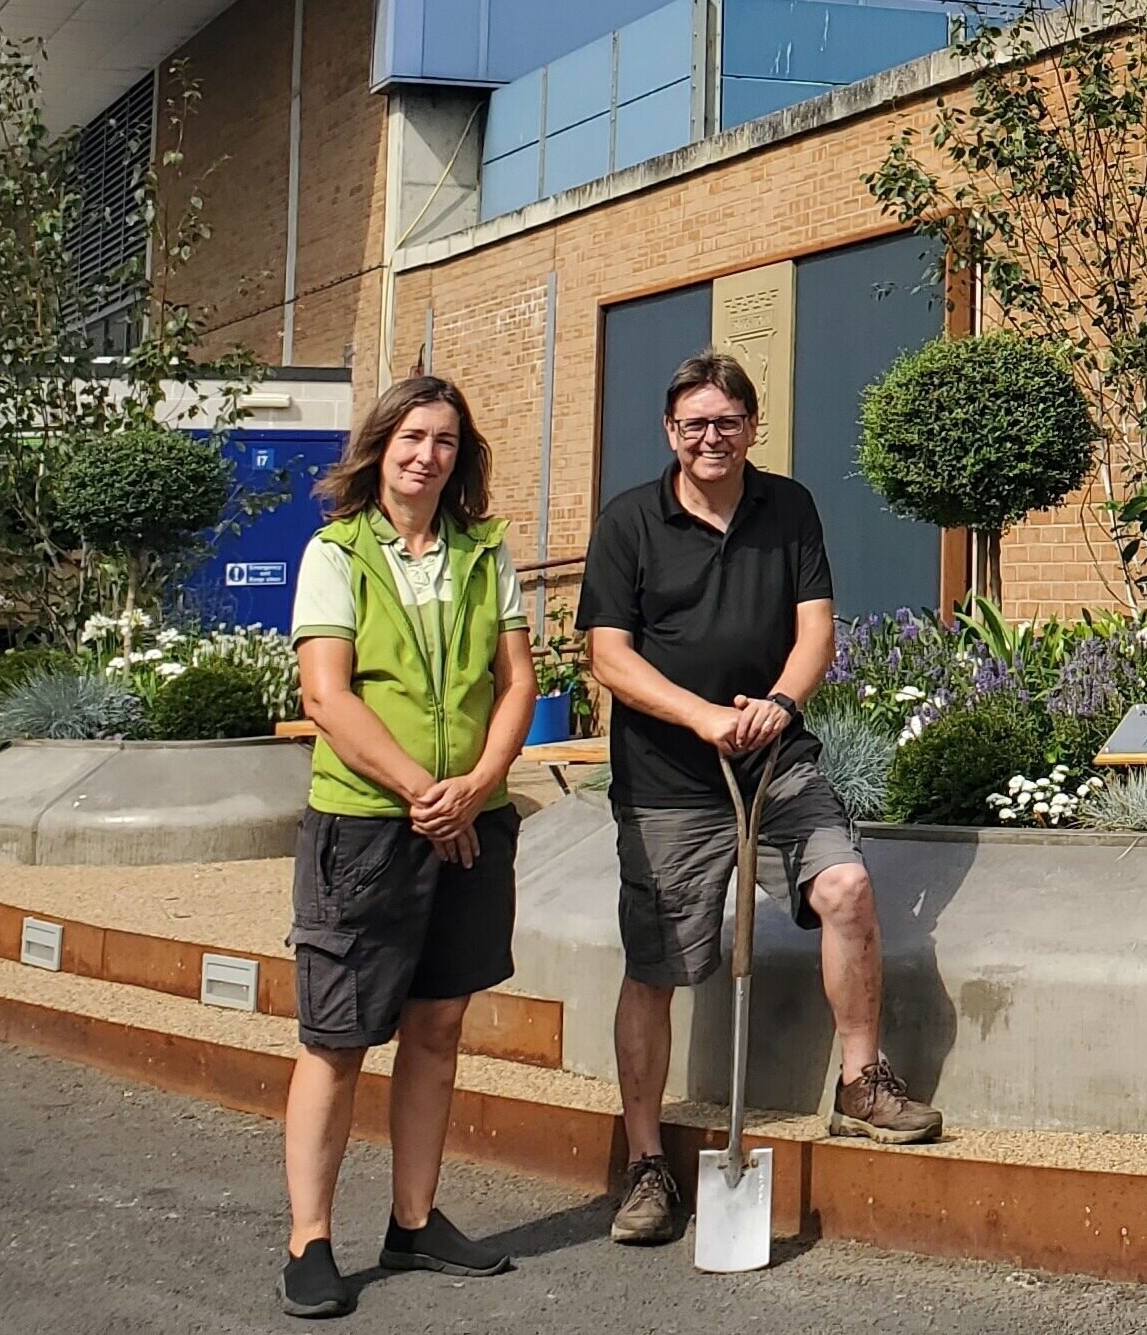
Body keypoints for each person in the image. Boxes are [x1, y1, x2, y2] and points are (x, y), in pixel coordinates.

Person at [584, 350, 941, 1248]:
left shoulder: (789, 508)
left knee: (847, 890)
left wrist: (781, 703)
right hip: (670, 781)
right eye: (694, 423)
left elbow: (815, 626)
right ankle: (647, 1163)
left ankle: (861, 1085)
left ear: (752, 426)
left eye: (728, 421)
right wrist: (701, 717)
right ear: (670, 432)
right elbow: (610, 657)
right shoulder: (630, 520)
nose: (712, 437)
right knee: (657, 965)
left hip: (777, 762)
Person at [279, 374, 536, 1317]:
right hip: (365, 827)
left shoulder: (485, 553)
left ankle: (415, 1221)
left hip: (472, 820)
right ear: (380, 446)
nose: (428, 455)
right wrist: (424, 791)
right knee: (337, 1038)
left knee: (437, 1027)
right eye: (413, 436)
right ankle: (309, 1240)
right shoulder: (334, 553)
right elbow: (327, 695)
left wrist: (474, 787)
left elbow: (517, 683)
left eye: (446, 441)